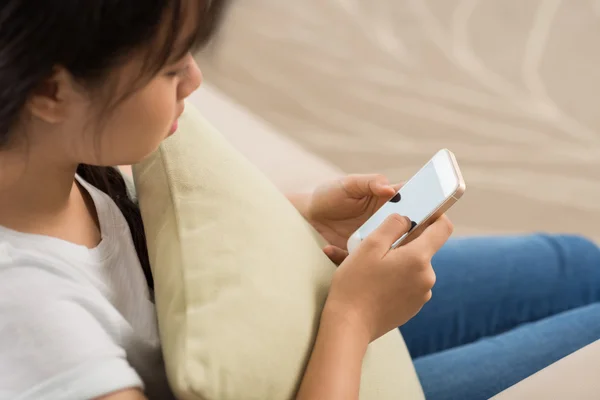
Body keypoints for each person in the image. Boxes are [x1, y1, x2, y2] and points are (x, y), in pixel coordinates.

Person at [0, 1, 598, 399]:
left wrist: (303, 212)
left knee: (574, 264)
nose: (195, 81)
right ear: (51, 89)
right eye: (167, 68)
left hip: (276, 329)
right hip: (320, 372)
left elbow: (148, 245)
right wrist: (354, 318)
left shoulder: (53, 160)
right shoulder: (34, 327)